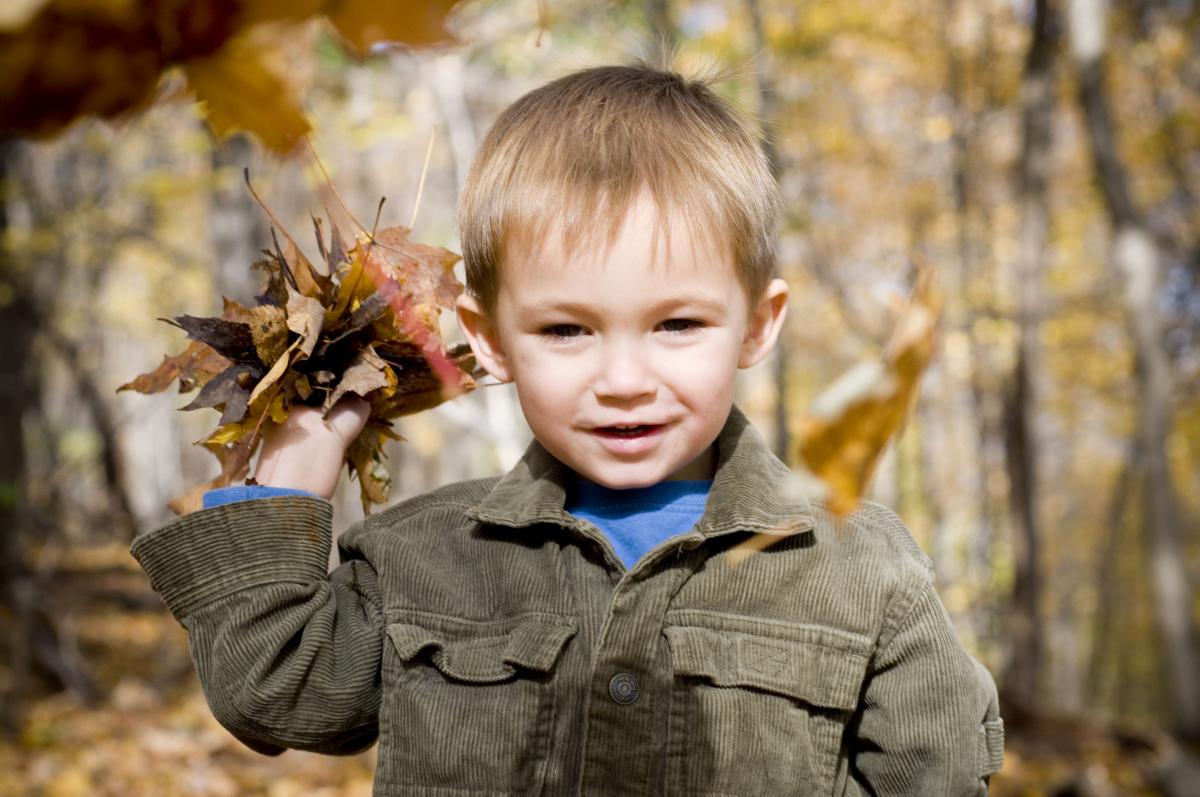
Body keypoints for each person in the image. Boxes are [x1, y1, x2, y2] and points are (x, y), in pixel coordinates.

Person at [131, 62, 1005, 796]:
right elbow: (276, 691)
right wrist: (293, 475)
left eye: (677, 325)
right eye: (566, 330)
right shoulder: (424, 556)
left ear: (756, 325)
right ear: (491, 339)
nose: (624, 381)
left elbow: (940, 774)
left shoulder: (860, 568)